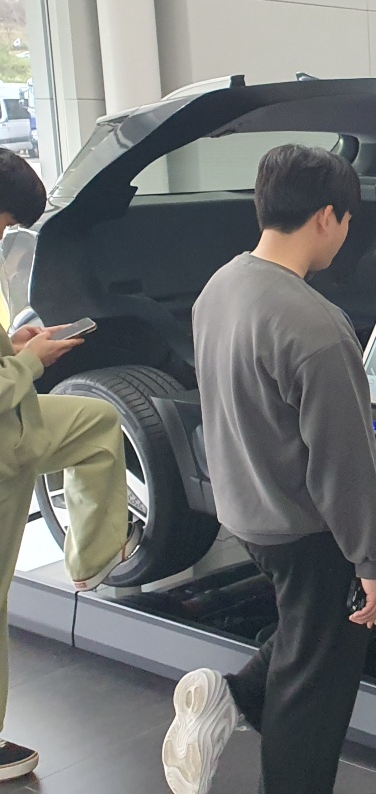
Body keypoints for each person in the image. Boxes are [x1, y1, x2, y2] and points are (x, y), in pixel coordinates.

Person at [161, 145, 376, 794]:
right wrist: (371, 560)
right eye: (347, 222)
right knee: (314, 689)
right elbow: (345, 463)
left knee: (308, 633)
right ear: (326, 217)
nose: (345, 236)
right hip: (306, 528)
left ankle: (228, 698)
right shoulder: (317, 327)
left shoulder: (219, 287)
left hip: (247, 512)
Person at [0, 150, 134, 781]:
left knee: (98, 423)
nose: (4, 235)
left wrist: (14, 346)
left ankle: (90, 561)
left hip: (20, 419)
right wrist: (31, 363)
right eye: (5, 223)